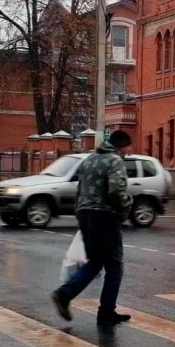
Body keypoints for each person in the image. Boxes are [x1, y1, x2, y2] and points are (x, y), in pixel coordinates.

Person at [51, 130, 135, 327]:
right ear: (121, 147)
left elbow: (79, 190)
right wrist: (125, 207)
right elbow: (116, 190)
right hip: (105, 216)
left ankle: (65, 294)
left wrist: (81, 215)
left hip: (85, 214)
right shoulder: (115, 161)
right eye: (128, 147)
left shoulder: (89, 159)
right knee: (114, 266)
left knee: (96, 261)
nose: (129, 151)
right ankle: (106, 311)